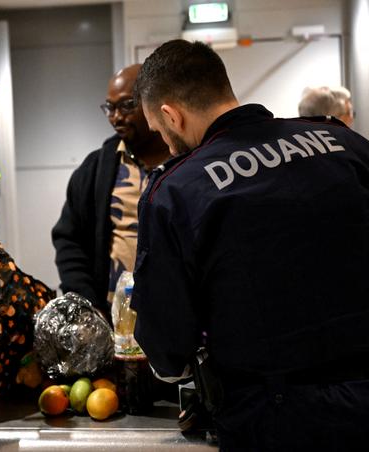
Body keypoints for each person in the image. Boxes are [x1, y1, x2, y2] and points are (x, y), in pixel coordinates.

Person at [132, 39, 369, 451]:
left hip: (275, 419)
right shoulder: (344, 143)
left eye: (160, 131)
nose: (167, 145)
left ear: (171, 115)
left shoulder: (177, 191)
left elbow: (167, 346)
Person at [52, 64, 170, 316]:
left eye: (126, 105)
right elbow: (69, 241)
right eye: (110, 107)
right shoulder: (95, 169)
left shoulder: (188, 163)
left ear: (154, 103)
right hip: (114, 320)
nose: (116, 117)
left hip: (176, 319)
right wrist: (87, 304)